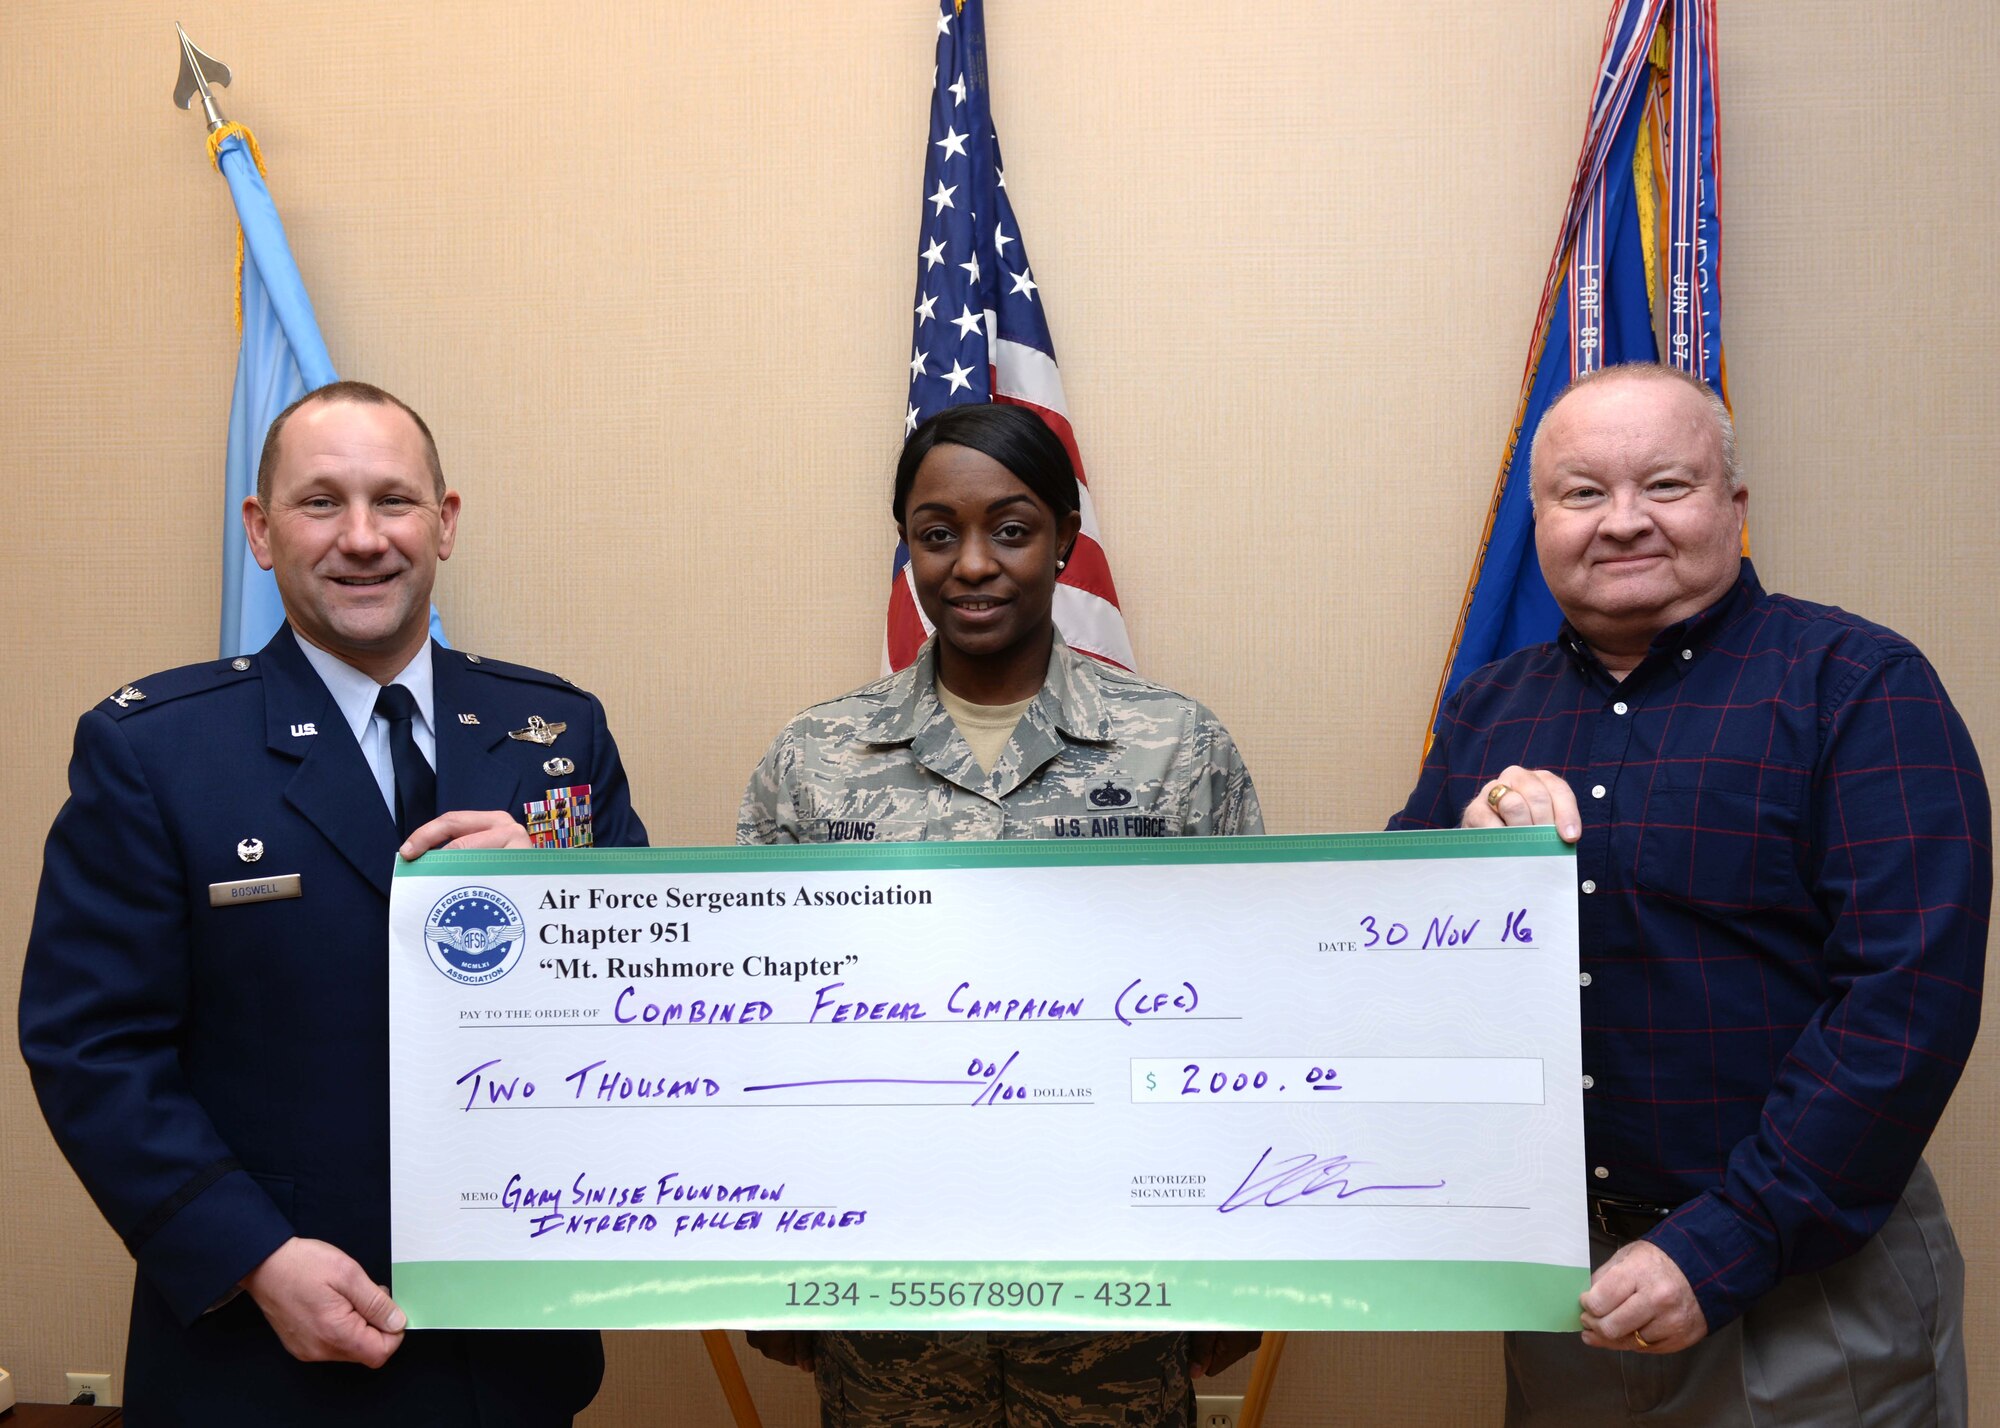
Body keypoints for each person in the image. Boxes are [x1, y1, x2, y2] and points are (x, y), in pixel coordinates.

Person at [19, 381, 647, 1425]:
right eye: (320, 503)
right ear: (261, 533)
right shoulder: (154, 750)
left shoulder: (555, 732)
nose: (362, 539)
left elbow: (647, 999)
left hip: (510, 1350)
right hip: (260, 1353)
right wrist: (251, 1255)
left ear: (443, 523)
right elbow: (91, 1046)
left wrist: (554, 894)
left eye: (393, 501)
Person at [1392, 362, 1989, 1426]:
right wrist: (1457, 858)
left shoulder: (1854, 687)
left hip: (1804, 1286)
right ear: (1537, 522)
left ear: (1732, 506)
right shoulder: (1485, 713)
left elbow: (1901, 1009)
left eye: (1664, 485)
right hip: (1566, 1288)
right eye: (1581, 494)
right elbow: (1383, 970)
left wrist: (1725, 1242)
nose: (1621, 522)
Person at [738, 402, 1263, 1426]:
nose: (971, 563)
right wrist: (772, 1265)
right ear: (907, 548)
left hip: (1117, 1283)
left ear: (1066, 538)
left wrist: (1232, 1270)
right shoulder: (813, 759)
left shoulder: (1174, 748)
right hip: (884, 1289)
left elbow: (1243, 1013)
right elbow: (763, 1033)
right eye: (937, 535)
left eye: (1010, 529)